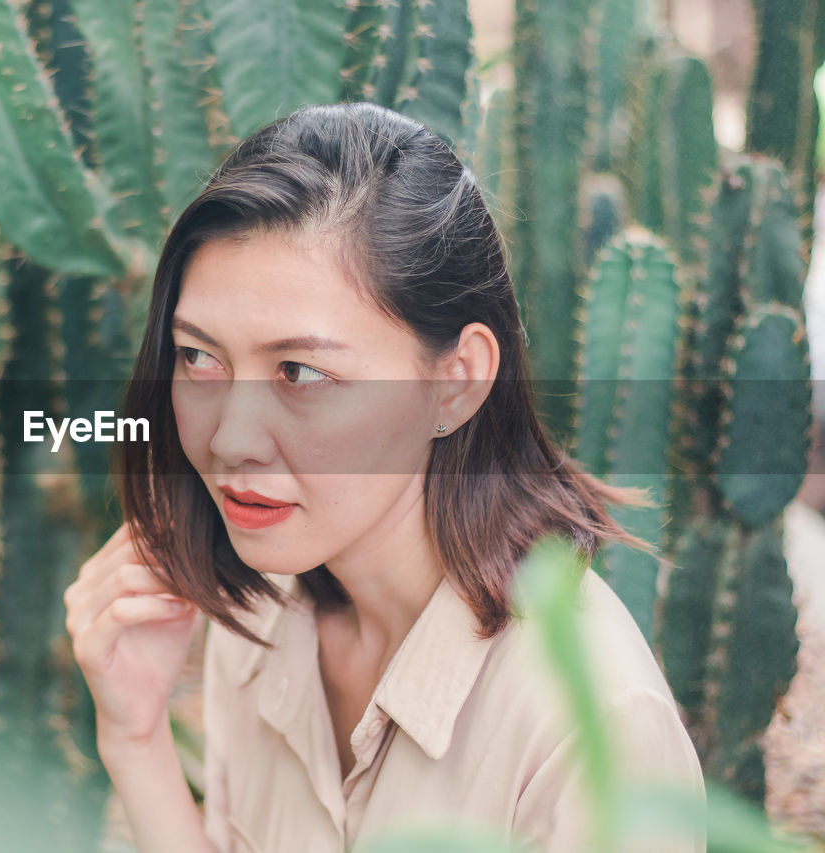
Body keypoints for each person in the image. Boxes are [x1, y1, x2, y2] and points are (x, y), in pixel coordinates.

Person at [63, 103, 706, 852]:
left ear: (456, 382)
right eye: (199, 357)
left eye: (300, 372)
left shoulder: (594, 726)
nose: (230, 438)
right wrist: (134, 737)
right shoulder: (264, 615)